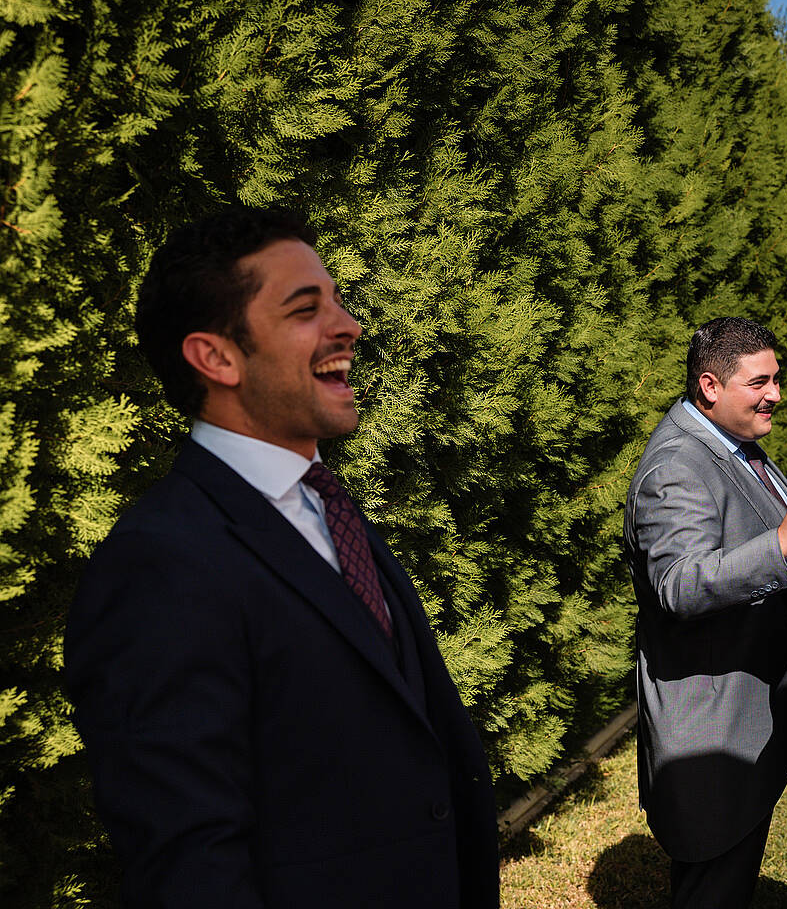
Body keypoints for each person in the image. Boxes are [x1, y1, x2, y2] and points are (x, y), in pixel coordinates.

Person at [65, 208, 501, 908]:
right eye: (305, 309)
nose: (349, 325)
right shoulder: (157, 565)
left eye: (337, 300)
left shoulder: (326, 504)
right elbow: (192, 867)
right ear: (217, 358)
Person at [623, 316, 787, 909]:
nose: (776, 395)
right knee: (713, 888)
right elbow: (678, 584)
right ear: (710, 387)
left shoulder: (735, 446)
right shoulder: (675, 467)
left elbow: (760, 527)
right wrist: (780, 543)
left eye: (776, 379)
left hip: (759, 708)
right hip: (712, 726)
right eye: (759, 383)